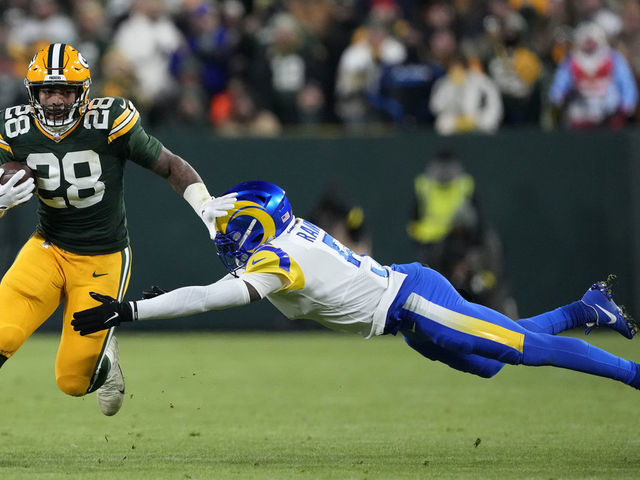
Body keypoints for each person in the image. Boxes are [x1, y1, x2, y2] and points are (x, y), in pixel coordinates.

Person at [72, 181, 640, 392]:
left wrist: (131, 310)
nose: (227, 238)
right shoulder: (278, 231)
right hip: (404, 313)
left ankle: (634, 374)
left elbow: (208, 296)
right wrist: (188, 188)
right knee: (492, 363)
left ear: (261, 226)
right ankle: (583, 308)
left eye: (236, 229)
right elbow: (211, 204)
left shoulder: (278, 259)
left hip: (416, 300)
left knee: (521, 350)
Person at [0, 43, 236, 417]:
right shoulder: (13, 128)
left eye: (65, 91)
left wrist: (204, 204)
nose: (56, 100)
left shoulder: (109, 120)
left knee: (72, 381)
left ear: (84, 93)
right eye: (48, 90)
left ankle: (106, 360)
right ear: (33, 92)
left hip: (102, 258)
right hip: (47, 248)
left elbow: (169, 165)